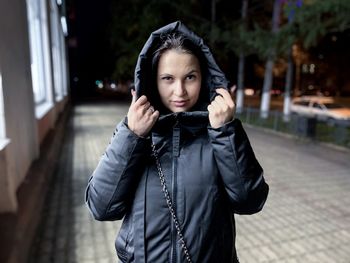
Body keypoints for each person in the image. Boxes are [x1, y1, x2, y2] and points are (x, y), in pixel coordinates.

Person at [86, 21, 269, 263]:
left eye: (190, 77)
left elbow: (251, 201)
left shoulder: (220, 134)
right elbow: (101, 207)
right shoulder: (135, 134)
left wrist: (225, 132)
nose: (180, 91)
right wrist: (132, 135)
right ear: (153, 80)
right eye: (168, 78)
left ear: (204, 78)